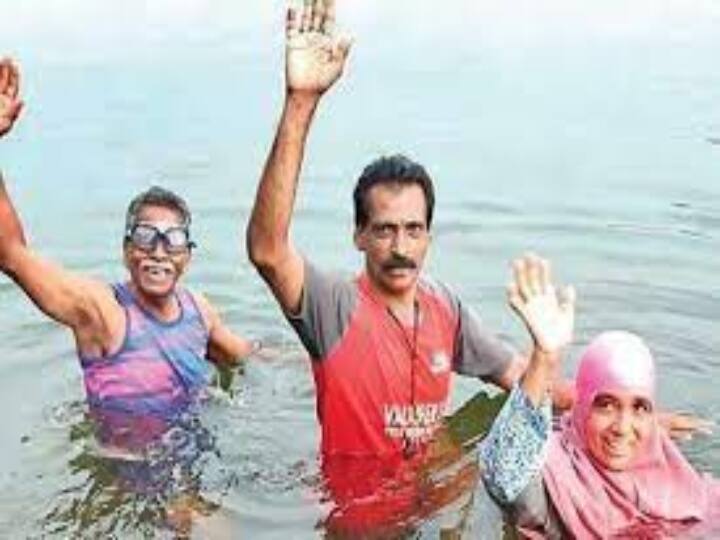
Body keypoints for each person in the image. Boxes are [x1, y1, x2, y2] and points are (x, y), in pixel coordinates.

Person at [246, 0, 571, 533]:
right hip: (357, 517)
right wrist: (300, 103)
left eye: (413, 230)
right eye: (384, 229)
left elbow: (521, 379)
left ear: (429, 236)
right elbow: (266, 249)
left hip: (433, 499)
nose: (401, 247)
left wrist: (612, 407)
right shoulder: (334, 306)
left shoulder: (446, 308)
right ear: (359, 236)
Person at [0, 57, 256, 534]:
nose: (159, 251)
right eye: (144, 236)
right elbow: (11, 254)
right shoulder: (103, 312)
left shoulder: (200, 312)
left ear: (189, 256)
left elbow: (246, 359)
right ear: (125, 251)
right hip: (125, 471)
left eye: (174, 239)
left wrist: (318, 358)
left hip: (195, 460)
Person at [480, 254, 720, 539]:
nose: (621, 427)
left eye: (639, 408)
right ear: (580, 408)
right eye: (605, 405)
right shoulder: (556, 479)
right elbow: (503, 476)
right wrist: (544, 358)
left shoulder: (683, 486)